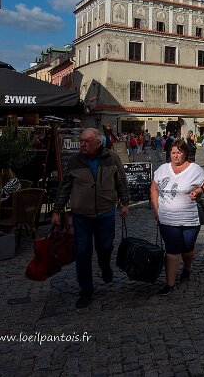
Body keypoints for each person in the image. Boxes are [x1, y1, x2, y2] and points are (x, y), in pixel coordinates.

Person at [52, 128, 129, 309]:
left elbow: (121, 181)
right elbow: (65, 187)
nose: (82, 144)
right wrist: (56, 211)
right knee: (83, 252)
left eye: (86, 141)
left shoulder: (111, 158)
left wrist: (124, 203)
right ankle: (86, 290)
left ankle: (105, 265)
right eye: (81, 141)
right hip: (81, 216)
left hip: (106, 213)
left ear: (98, 143)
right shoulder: (74, 161)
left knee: (106, 246)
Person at [150, 140, 204, 296]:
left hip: (190, 218)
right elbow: (154, 188)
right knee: (172, 249)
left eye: (179, 152)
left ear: (185, 153)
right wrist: (156, 209)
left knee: (187, 247)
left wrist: (199, 191)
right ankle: (170, 284)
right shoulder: (162, 169)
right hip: (167, 218)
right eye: (173, 152)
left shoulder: (195, 169)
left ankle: (187, 267)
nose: (175, 155)